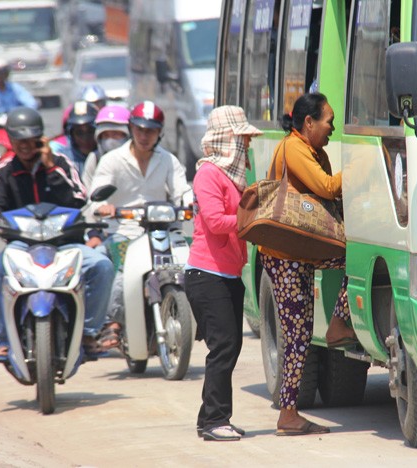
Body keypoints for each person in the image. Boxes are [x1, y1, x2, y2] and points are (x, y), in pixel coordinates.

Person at [0, 107, 115, 362]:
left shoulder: (62, 164)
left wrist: (51, 168)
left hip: (65, 245)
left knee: (102, 266)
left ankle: (88, 333)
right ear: (10, 140)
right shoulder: (3, 171)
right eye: (18, 140)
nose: (25, 145)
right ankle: (3, 342)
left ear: (41, 138)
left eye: (30, 139)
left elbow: (79, 198)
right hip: (21, 247)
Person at [259, 92, 355, 436]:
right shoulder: (294, 148)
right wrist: (364, 164)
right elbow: (327, 188)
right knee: (297, 334)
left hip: (301, 249)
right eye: (328, 121)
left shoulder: (315, 150)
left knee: (352, 259)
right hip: (285, 254)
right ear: (309, 123)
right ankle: (288, 414)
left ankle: (338, 324)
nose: (333, 127)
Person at [185, 106, 262, 442]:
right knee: (224, 346)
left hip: (228, 274)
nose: (246, 145)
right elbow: (216, 222)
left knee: (228, 348)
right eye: (241, 138)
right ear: (227, 139)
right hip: (207, 274)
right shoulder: (208, 174)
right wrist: (252, 221)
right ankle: (214, 420)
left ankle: (213, 418)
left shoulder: (233, 177)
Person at [88, 100, 190, 346]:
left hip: (163, 229)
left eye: (151, 130)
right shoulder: (112, 160)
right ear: (131, 128)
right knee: (124, 273)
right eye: (140, 129)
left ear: (160, 132)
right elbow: (95, 196)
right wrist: (104, 208)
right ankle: (113, 323)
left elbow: (182, 190)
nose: (145, 135)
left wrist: (189, 204)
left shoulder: (168, 160)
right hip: (124, 230)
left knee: (190, 265)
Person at [81, 104, 130, 189]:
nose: (110, 140)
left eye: (115, 134)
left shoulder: (138, 158)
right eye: (106, 135)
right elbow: (88, 190)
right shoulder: (95, 159)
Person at [48, 100, 98, 176]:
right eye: (79, 132)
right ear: (70, 134)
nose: (85, 138)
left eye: (90, 131)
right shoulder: (59, 155)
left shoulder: (106, 153)